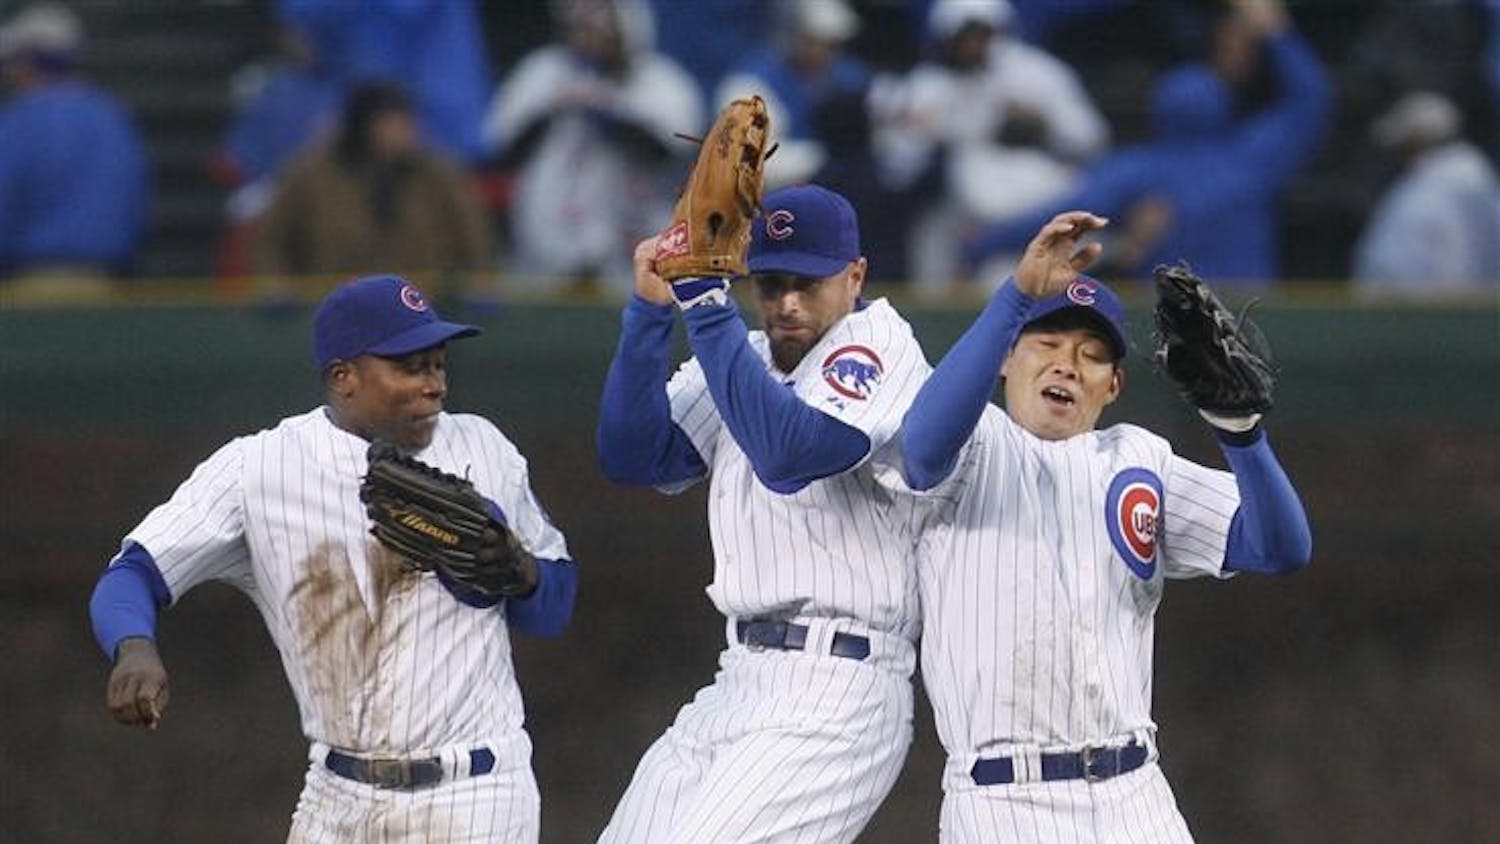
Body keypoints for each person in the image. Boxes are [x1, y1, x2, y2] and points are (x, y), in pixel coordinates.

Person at [88, 274, 579, 842]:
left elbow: (554, 608)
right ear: (344, 378)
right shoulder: (259, 469)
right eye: (410, 366)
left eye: (439, 364)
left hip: (476, 790)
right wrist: (134, 649)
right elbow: (134, 573)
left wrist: (522, 573)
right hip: (336, 794)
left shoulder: (483, 448)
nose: (434, 384)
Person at [902, 211, 1312, 841]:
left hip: (1135, 794)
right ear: (1006, 359)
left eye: (1091, 355)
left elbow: (1281, 547)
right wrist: (1016, 296)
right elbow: (923, 446)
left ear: (1114, 384)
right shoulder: (973, 444)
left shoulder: (1138, 458)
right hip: (1007, 802)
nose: (1067, 364)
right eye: (1047, 343)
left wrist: (1242, 436)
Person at [595, 184, 931, 843]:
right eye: (771, 284)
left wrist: (708, 305)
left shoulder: (879, 345)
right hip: (741, 677)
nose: (788, 304)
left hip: (840, 686)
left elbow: (789, 454)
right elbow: (634, 456)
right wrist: (649, 310)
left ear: (855, 274)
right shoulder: (742, 352)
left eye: (808, 283)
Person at [967, 0, 1330, 289]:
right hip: (1255, 320)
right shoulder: (1251, 156)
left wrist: (984, 243)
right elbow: (1311, 96)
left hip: (1175, 331)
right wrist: (1278, 32)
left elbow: (1063, 218)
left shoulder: (1140, 169)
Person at [869, 0, 1109, 295]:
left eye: (982, 33)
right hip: (962, 218)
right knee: (948, 288)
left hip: (1037, 210)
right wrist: (918, 132)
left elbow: (1091, 138)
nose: (974, 43)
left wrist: (1041, 124)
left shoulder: (1037, 72)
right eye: (964, 35)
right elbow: (896, 170)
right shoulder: (929, 85)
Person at [484, 0, 701, 296]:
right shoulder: (544, 70)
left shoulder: (660, 80)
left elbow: (670, 152)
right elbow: (499, 148)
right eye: (583, 27)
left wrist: (609, 112)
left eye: (602, 27)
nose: (591, 37)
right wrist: (552, 107)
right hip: (545, 241)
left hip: (629, 239)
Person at [251, 83, 493, 294]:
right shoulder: (312, 175)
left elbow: (472, 233)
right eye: (394, 123)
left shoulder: (436, 173)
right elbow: (270, 239)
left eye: (408, 122)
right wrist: (277, 287)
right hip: (336, 305)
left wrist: (480, 283)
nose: (407, 132)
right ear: (365, 125)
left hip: (422, 307)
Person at [0, 2, 148, 291]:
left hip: (31, 281)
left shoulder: (20, 120)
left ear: (29, 62)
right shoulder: (111, 115)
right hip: (107, 283)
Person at [1353, 90, 1500, 297]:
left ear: (1413, 144)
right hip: (1488, 322)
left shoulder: (1421, 196)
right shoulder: (1486, 187)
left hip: (1429, 322)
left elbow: (1389, 275)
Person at [713, 0, 870, 188]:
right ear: (796, 37)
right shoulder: (750, 86)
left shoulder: (847, 76)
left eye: (834, 45)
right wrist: (826, 159)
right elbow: (753, 163)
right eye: (818, 43)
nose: (829, 54)